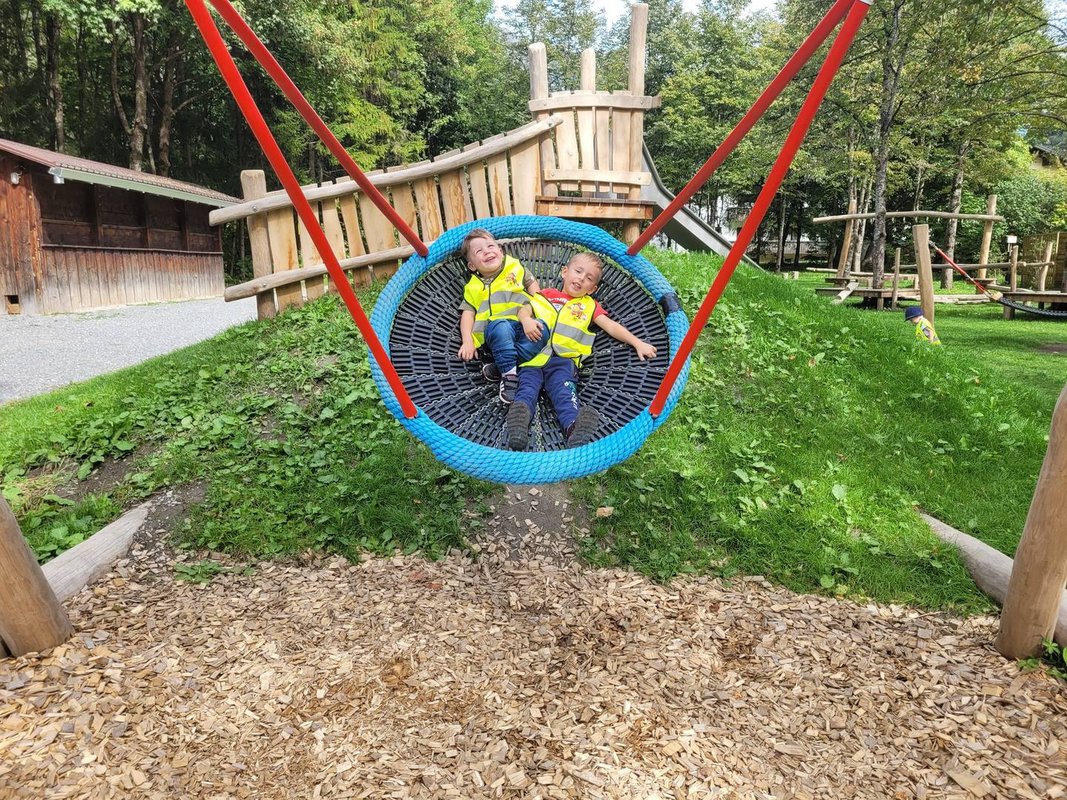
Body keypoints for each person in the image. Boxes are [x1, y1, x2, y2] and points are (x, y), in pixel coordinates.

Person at [506, 252, 657, 450]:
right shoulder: (545, 295)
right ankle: (518, 428)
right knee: (527, 389)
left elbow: (611, 326)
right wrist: (526, 320)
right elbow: (524, 309)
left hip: (563, 361)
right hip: (534, 356)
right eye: (578, 271)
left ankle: (574, 430)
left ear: (592, 289)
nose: (581, 279)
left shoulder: (589, 305)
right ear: (565, 272)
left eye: (589, 278)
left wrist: (637, 342)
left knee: (565, 394)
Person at [456, 229, 543, 402]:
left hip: (525, 326)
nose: (487, 251)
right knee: (501, 327)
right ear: (472, 266)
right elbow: (468, 315)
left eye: (490, 246)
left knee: (544, 329)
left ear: (501, 252)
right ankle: (509, 376)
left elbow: (535, 290)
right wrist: (467, 341)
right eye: (479, 251)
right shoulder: (473, 287)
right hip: (497, 334)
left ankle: (500, 366)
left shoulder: (515, 268)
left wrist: (538, 310)